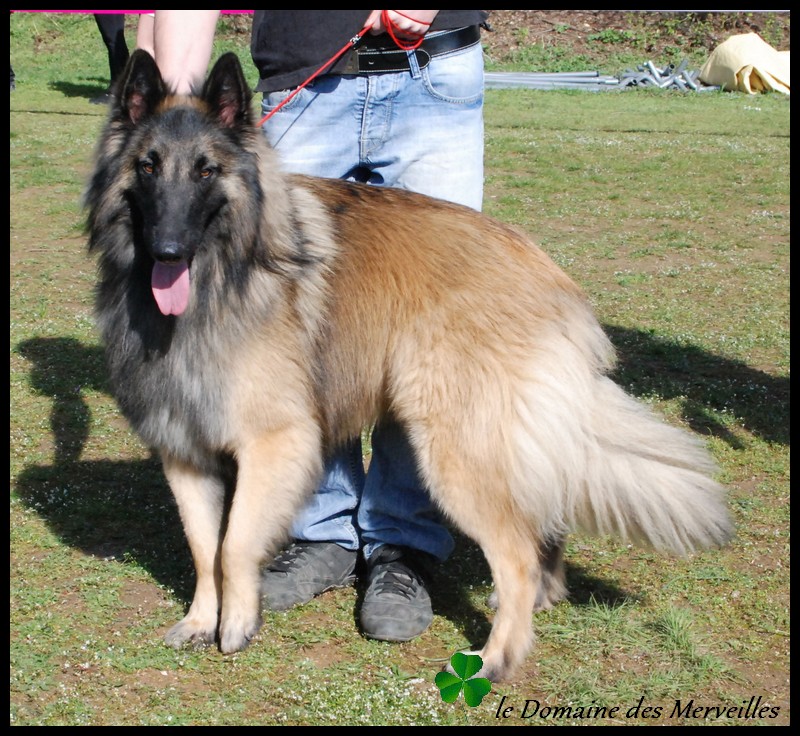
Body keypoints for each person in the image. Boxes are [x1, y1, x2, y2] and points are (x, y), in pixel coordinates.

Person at [152, 9, 488, 643]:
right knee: (294, 334)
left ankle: (402, 544)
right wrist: (168, 116)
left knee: (421, 335)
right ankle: (319, 531)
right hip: (307, 81)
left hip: (436, 73)